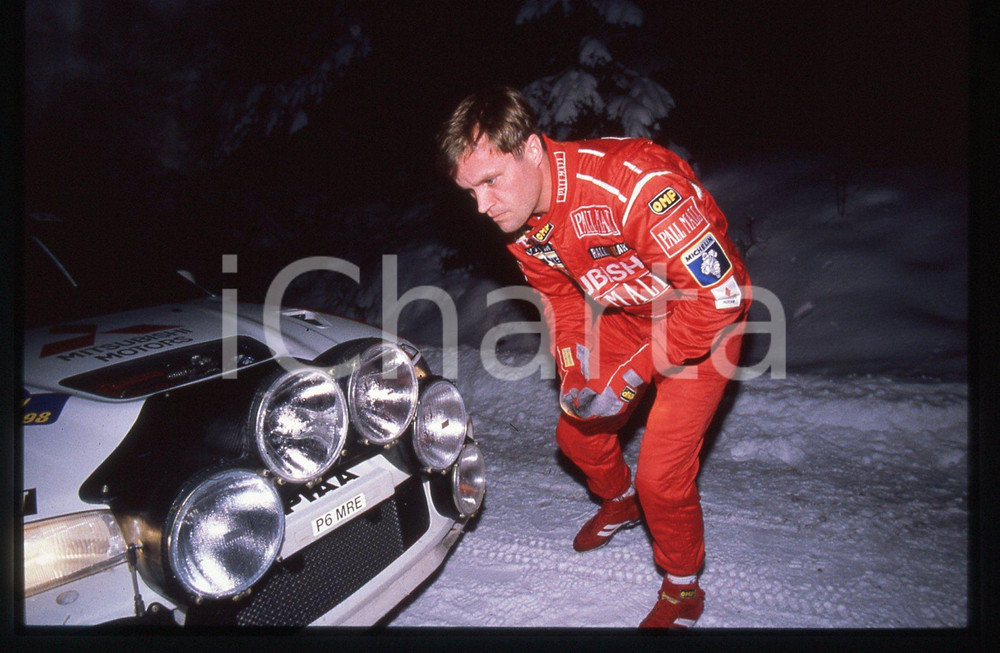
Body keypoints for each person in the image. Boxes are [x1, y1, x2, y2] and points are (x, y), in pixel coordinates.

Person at [438, 86, 751, 629]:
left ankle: (683, 587)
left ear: (532, 149)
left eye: (491, 181)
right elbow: (560, 295)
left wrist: (633, 373)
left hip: (703, 321)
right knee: (576, 433)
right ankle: (621, 501)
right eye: (471, 192)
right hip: (631, 312)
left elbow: (719, 297)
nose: (483, 207)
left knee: (662, 476)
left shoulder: (636, 184)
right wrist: (574, 367)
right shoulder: (523, 220)